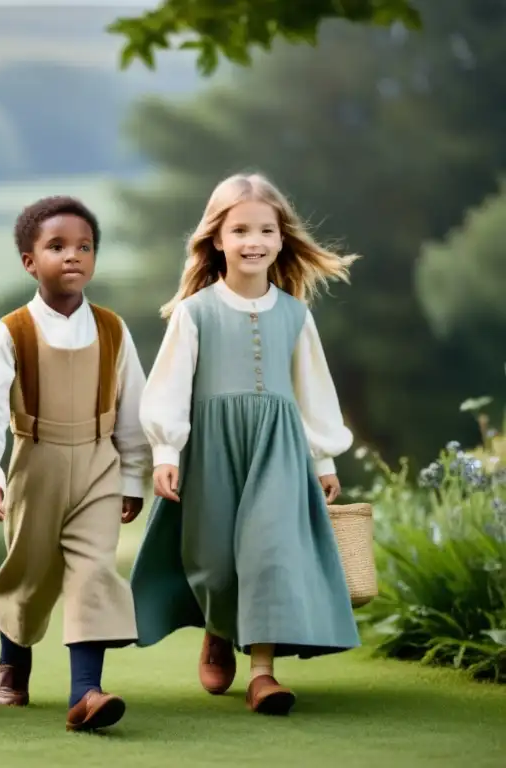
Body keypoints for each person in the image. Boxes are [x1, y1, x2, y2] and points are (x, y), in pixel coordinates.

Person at [131, 172, 361, 715]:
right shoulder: (194, 313)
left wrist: (323, 456)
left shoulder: (295, 315)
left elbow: (312, 389)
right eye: (240, 230)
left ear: (282, 239)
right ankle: (218, 626)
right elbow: (168, 386)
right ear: (217, 238)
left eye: (265, 229)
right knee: (214, 557)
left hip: (278, 452)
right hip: (210, 450)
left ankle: (262, 672)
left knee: (270, 553)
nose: (253, 241)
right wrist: (166, 453)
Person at [0, 195, 150, 732]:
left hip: (98, 464)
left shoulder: (113, 330)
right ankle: (13, 662)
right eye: (57, 246)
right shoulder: (12, 331)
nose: (73, 256)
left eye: (84, 247)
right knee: (31, 572)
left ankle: (85, 692)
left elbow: (132, 410)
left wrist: (133, 474)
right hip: (34, 462)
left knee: (94, 571)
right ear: (29, 261)